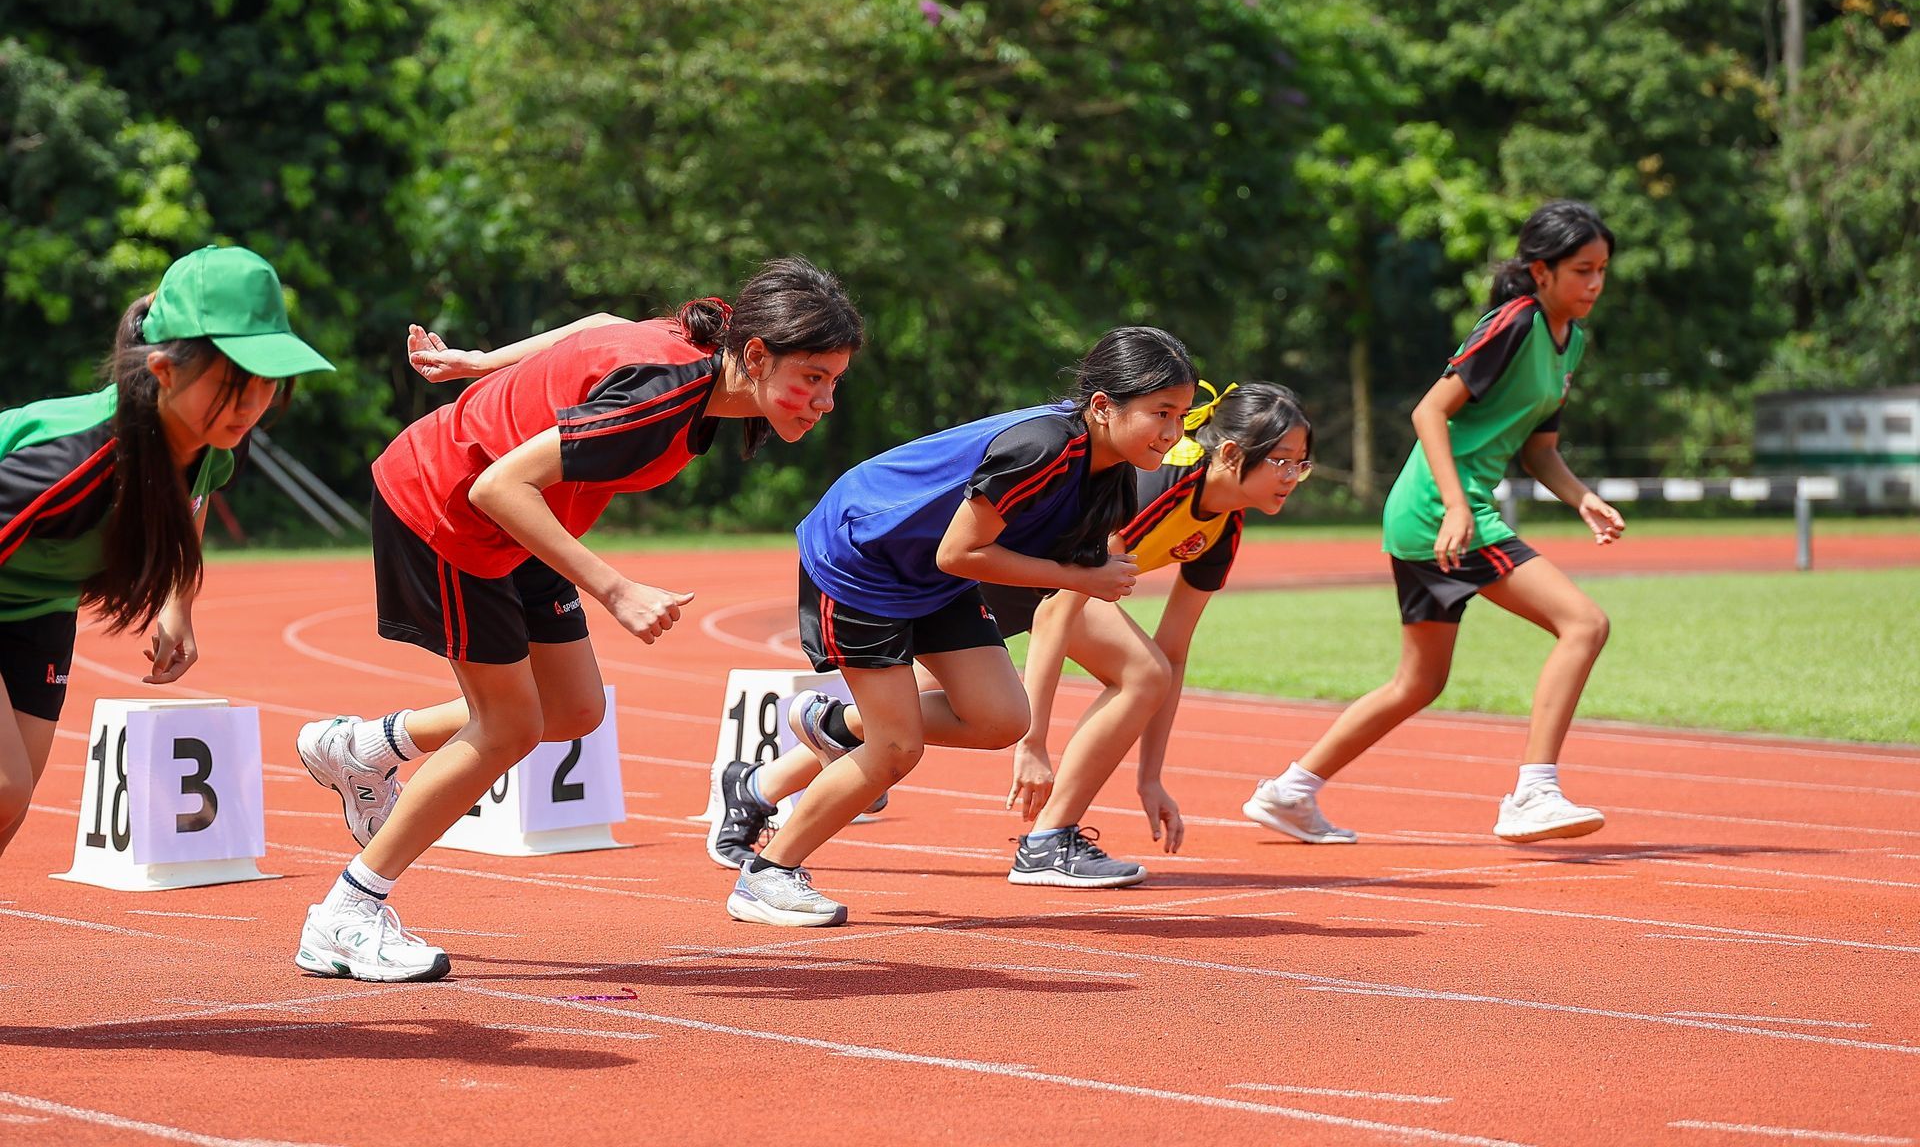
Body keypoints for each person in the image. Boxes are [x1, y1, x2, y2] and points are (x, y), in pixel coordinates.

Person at [293, 257, 861, 982]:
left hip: (518, 517)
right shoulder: (663, 397)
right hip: (450, 506)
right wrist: (614, 588)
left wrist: (479, 363)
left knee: (570, 709)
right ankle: (346, 913)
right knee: (507, 726)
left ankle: (367, 747)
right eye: (811, 378)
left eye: (833, 382)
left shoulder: (700, 339)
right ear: (755, 354)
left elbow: (599, 328)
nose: (824, 401)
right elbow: (498, 485)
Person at [712, 326, 1196, 927]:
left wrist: (1075, 576)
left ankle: (834, 724)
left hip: (932, 575)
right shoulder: (1043, 449)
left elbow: (1015, 577)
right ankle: (768, 875)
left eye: (1183, 415)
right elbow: (958, 553)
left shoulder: (1111, 483)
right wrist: (1078, 578)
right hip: (862, 556)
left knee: (1000, 718)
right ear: (1103, 406)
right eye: (1162, 413)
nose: (1175, 433)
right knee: (896, 749)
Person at [1243, 200, 1624, 846]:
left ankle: (1290, 792)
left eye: (1602, 271)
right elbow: (1428, 412)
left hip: (1436, 512)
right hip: (1441, 510)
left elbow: (1539, 448)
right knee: (1583, 623)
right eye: (1582, 270)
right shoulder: (1513, 324)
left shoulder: (1571, 342)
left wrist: (1579, 497)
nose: (1594, 284)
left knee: (1419, 681)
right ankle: (1533, 792)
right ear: (1540, 271)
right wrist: (1454, 505)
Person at [0, 245, 333, 856]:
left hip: (37, 606)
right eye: (233, 382)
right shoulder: (70, 461)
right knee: (2, 785)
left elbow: (192, 502)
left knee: (10, 806)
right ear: (163, 371)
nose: (251, 404)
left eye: (267, 383)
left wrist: (178, 606)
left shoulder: (212, 446)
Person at [988, 381, 1313, 886]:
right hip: (1006, 568)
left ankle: (831, 726)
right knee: (1137, 670)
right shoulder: (1157, 484)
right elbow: (1059, 606)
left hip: (1037, 582)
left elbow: (1174, 654)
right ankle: (1048, 843)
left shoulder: (1223, 526)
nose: (1293, 476)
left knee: (893, 716)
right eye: (1282, 460)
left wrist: (1150, 777)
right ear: (1230, 452)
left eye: (1302, 463)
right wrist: (1031, 742)